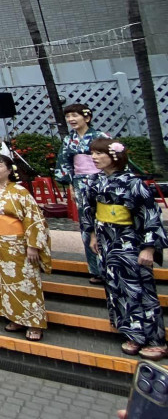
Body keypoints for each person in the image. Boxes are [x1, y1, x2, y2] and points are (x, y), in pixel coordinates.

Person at [80, 138, 168, 360]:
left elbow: (150, 215)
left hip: (129, 241)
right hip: (106, 241)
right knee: (115, 288)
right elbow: (89, 210)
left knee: (141, 289)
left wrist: (148, 247)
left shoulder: (133, 183)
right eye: (93, 154)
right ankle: (132, 334)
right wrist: (92, 234)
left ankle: (155, 339)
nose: (95, 157)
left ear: (115, 157)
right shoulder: (93, 181)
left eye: (100, 154)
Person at [0, 154, 51, 341]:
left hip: (17, 244)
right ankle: (15, 317)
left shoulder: (19, 192)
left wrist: (33, 245)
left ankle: (34, 321)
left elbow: (34, 219)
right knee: (2, 282)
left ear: (9, 170)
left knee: (24, 281)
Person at [54, 103, 110, 284]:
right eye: (68, 116)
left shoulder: (100, 137)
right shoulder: (68, 140)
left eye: (75, 116)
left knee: (105, 222)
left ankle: (110, 265)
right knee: (87, 225)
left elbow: (112, 160)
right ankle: (95, 269)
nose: (71, 120)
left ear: (87, 117)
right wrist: (70, 182)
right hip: (80, 183)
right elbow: (65, 162)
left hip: (102, 182)